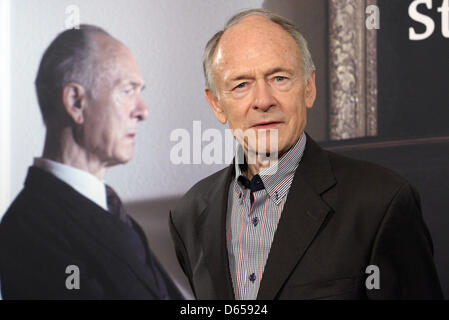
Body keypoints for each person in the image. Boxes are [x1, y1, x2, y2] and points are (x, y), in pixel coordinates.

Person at [169, 9, 443, 299]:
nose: (263, 100)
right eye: (241, 85)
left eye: (279, 78)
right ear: (217, 104)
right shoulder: (189, 216)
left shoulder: (382, 201)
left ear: (309, 87)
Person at [0, 25, 182, 299]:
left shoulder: (111, 211)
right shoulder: (30, 234)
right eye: (127, 91)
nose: (143, 111)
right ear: (76, 102)